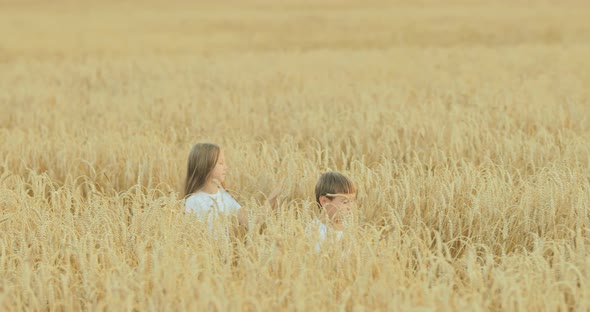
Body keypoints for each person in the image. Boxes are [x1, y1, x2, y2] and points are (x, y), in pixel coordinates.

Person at [183, 142, 280, 235]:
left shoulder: (226, 198)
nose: (226, 167)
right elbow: (191, 238)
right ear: (205, 166)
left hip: (225, 252)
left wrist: (272, 199)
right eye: (221, 163)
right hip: (205, 252)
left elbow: (251, 222)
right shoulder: (193, 201)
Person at [308, 171, 357, 252]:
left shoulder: (351, 230)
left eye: (352, 201)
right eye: (345, 202)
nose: (350, 206)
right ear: (324, 201)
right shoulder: (314, 231)